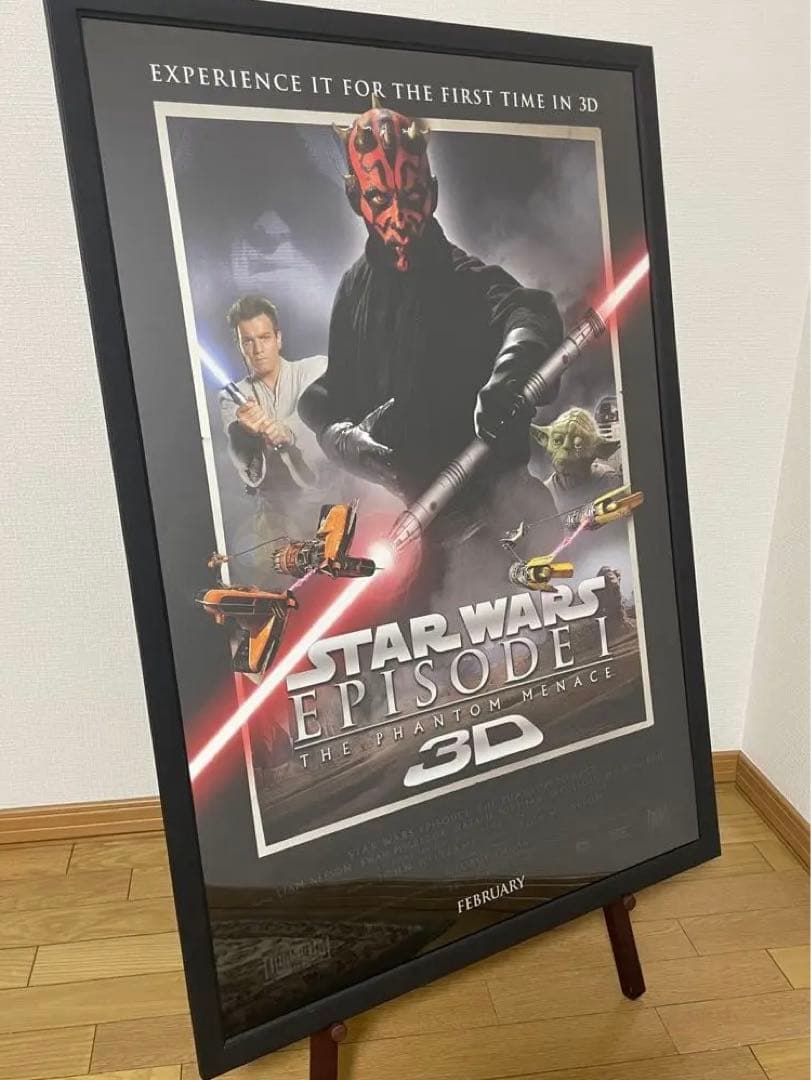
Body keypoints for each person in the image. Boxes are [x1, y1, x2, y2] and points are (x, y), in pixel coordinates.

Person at [298, 99, 563, 556]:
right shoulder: (353, 291)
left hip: (504, 523)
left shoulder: (462, 279)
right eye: (380, 199)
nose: (399, 217)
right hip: (422, 538)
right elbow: (331, 388)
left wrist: (512, 372)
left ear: (433, 193)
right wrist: (332, 432)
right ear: (356, 199)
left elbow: (527, 313)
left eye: (412, 195)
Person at [219, 295, 333, 585]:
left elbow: (322, 414)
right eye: (248, 341)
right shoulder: (231, 399)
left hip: (329, 507)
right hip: (275, 520)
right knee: (284, 595)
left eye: (264, 338)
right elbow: (245, 465)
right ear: (239, 346)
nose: (257, 350)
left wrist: (287, 430)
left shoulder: (316, 368)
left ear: (278, 338)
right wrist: (247, 432)